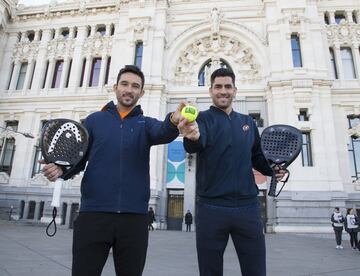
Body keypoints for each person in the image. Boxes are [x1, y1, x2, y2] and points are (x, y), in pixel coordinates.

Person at [40, 65, 185, 276]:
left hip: (134, 219)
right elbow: (77, 158)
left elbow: (164, 131)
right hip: (93, 215)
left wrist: (173, 119)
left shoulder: (146, 124)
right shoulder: (94, 121)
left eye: (135, 86)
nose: (129, 89)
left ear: (141, 93)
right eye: (125, 84)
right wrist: (60, 170)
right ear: (116, 88)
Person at [177, 67, 286, 276]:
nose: (223, 91)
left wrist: (273, 170)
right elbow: (196, 143)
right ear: (210, 91)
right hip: (211, 208)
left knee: (256, 271)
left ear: (235, 91)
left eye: (228, 87)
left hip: (248, 208)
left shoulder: (247, 122)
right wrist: (191, 138)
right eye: (218, 87)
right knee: (210, 271)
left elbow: (256, 157)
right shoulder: (202, 119)